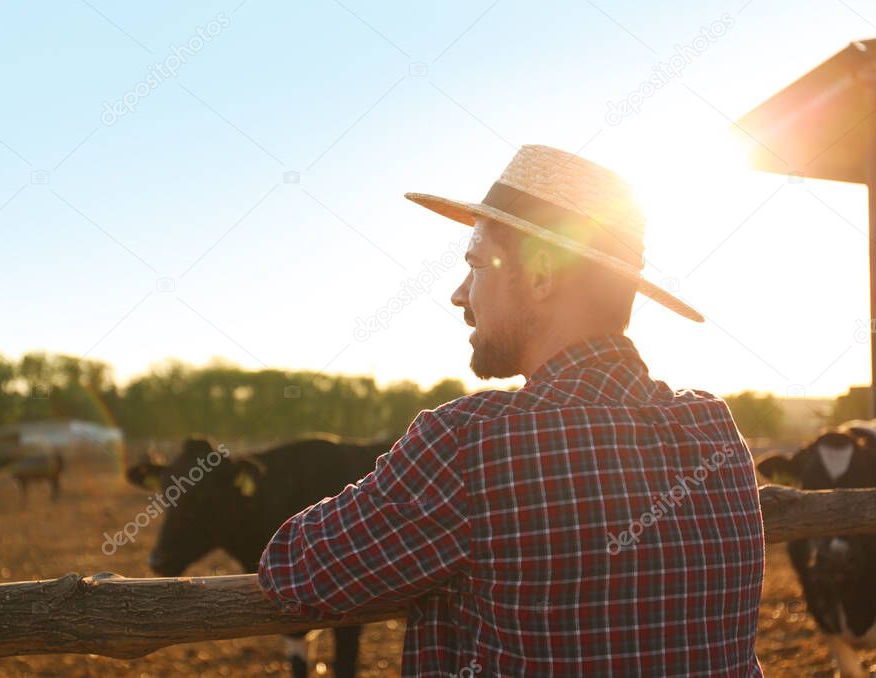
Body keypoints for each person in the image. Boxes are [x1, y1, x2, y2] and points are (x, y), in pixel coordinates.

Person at [257, 144, 765, 676]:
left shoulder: (472, 442)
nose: (459, 294)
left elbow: (297, 571)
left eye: (476, 264)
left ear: (543, 274)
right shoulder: (714, 430)